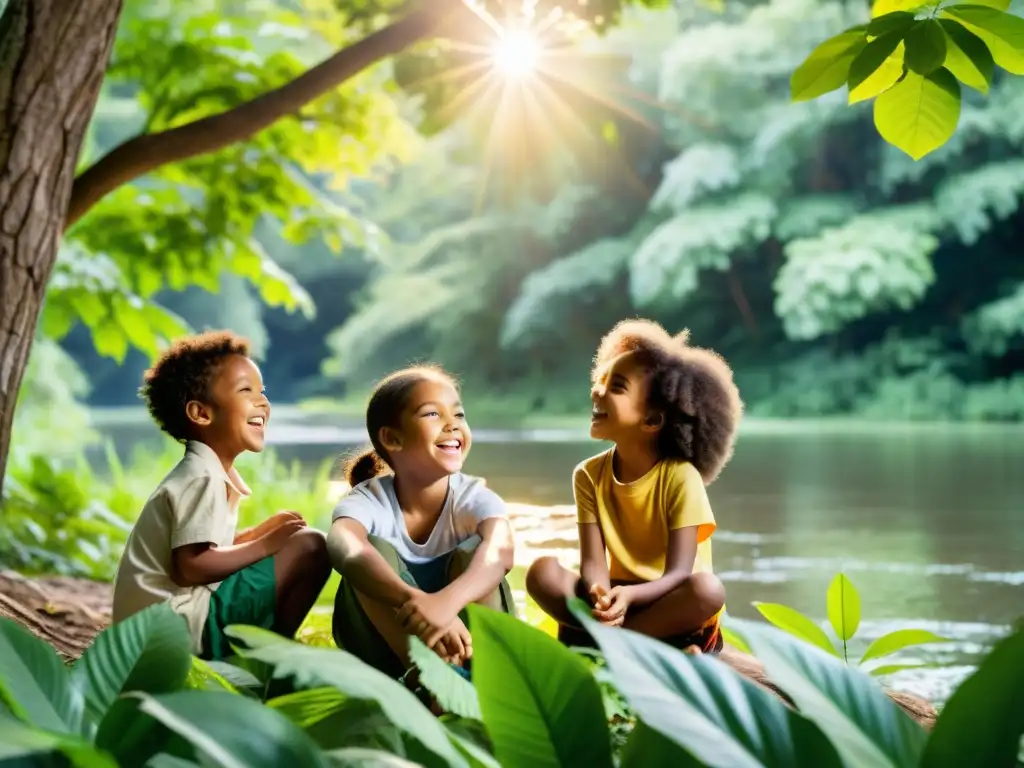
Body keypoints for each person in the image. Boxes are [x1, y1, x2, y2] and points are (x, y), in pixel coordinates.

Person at [525, 319, 742, 653]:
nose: (597, 391)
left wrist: (631, 596)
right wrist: (601, 592)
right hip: (617, 596)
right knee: (542, 573)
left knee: (708, 590)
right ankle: (629, 644)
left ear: (652, 420)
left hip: (668, 601)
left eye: (617, 387)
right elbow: (593, 562)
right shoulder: (587, 475)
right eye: (602, 380)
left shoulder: (680, 477)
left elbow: (680, 574)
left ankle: (606, 645)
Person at [111, 331, 330, 659]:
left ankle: (269, 651)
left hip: (162, 626)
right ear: (201, 413)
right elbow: (191, 567)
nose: (263, 402)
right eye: (246, 391)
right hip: (177, 630)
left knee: (299, 543)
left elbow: (202, 550)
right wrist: (265, 545)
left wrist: (256, 535)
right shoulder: (201, 478)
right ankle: (272, 656)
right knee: (310, 546)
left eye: (262, 391)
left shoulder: (205, 472)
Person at [327, 365, 516, 680]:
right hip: (388, 657)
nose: (452, 426)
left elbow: (501, 550)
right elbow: (343, 545)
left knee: (476, 552)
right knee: (367, 553)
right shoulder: (369, 500)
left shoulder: (473, 497)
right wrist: (414, 601)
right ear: (392, 438)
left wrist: (446, 604)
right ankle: (426, 680)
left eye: (458, 415)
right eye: (432, 414)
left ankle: (488, 676)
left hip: (470, 651)